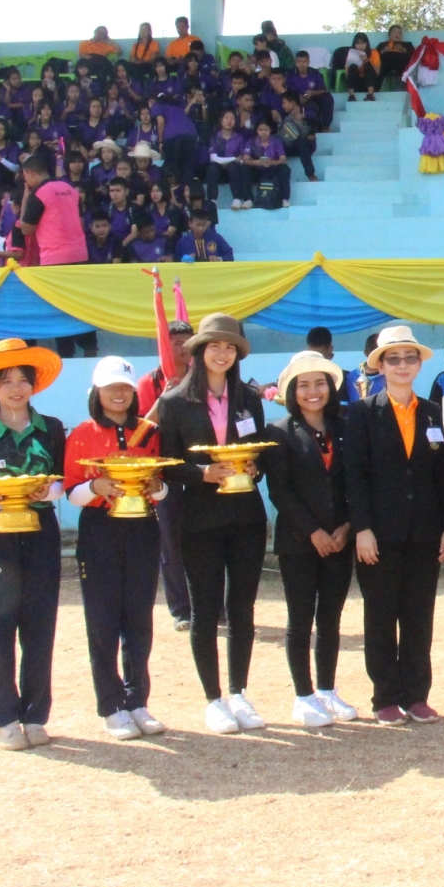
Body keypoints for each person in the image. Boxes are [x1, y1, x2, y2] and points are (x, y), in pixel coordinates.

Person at [149, 313, 272, 734]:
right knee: (204, 609)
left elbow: (259, 452)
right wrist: (202, 473)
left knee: (242, 607)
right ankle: (213, 699)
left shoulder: (249, 398)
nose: (222, 353)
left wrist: (254, 468)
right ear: (199, 351)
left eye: (230, 347)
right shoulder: (174, 402)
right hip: (199, 518)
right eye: (214, 346)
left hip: (246, 516)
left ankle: (239, 692)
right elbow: (167, 464)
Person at [343, 325, 444, 725]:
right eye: (394, 359)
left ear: (420, 364)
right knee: (380, 617)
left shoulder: (431, 411)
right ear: (381, 365)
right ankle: (385, 697)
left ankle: (417, 695)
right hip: (379, 534)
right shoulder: (361, 413)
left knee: (418, 617)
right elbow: (354, 475)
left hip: (424, 532)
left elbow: (442, 474)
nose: (402, 365)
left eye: (410, 358)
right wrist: (362, 528)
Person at [0, 338, 67, 750]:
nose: (16, 389)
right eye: (6, 381)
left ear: (34, 385)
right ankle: (3, 718)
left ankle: (36, 715)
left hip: (40, 532)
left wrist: (47, 492)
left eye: (23, 380)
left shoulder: (51, 428)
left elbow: (61, 480)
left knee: (40, 624)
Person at [61, 356, 169, 740]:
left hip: (142, 528)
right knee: (103, 620)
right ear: (97, 392)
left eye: (125, 387)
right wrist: (96, 487)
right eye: (110, 388)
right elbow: (71, 490)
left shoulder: (150, 432)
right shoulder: (81, 434)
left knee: (139, 618)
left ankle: (137, 700)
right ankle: (111, 706)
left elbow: (163, 483)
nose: (119, 394)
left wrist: (157, 487)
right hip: (100, 531)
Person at [260, 351, 360, 728]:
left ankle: (328, 690)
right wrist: (313, 532)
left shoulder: (346, 427)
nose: (313, 391)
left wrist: (346, 527)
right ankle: (303, 696)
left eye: (320, 383)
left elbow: (355, 483)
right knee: (300, 618)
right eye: (303, 385)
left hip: (340, 540)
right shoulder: (279, 432)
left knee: (331, 619)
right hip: (299, 542)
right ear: (292, 392)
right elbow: (280, 492)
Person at [136, 318, 195, 631]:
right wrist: (165, 399)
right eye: (176, 343)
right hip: (164, 474)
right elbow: (140, 430)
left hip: (198, 471)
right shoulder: (149, 382)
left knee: (203, 540)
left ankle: (213, 605)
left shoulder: (201, 377)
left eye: (188, 342)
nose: (184, 348)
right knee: (170, 542)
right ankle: (181, 608)